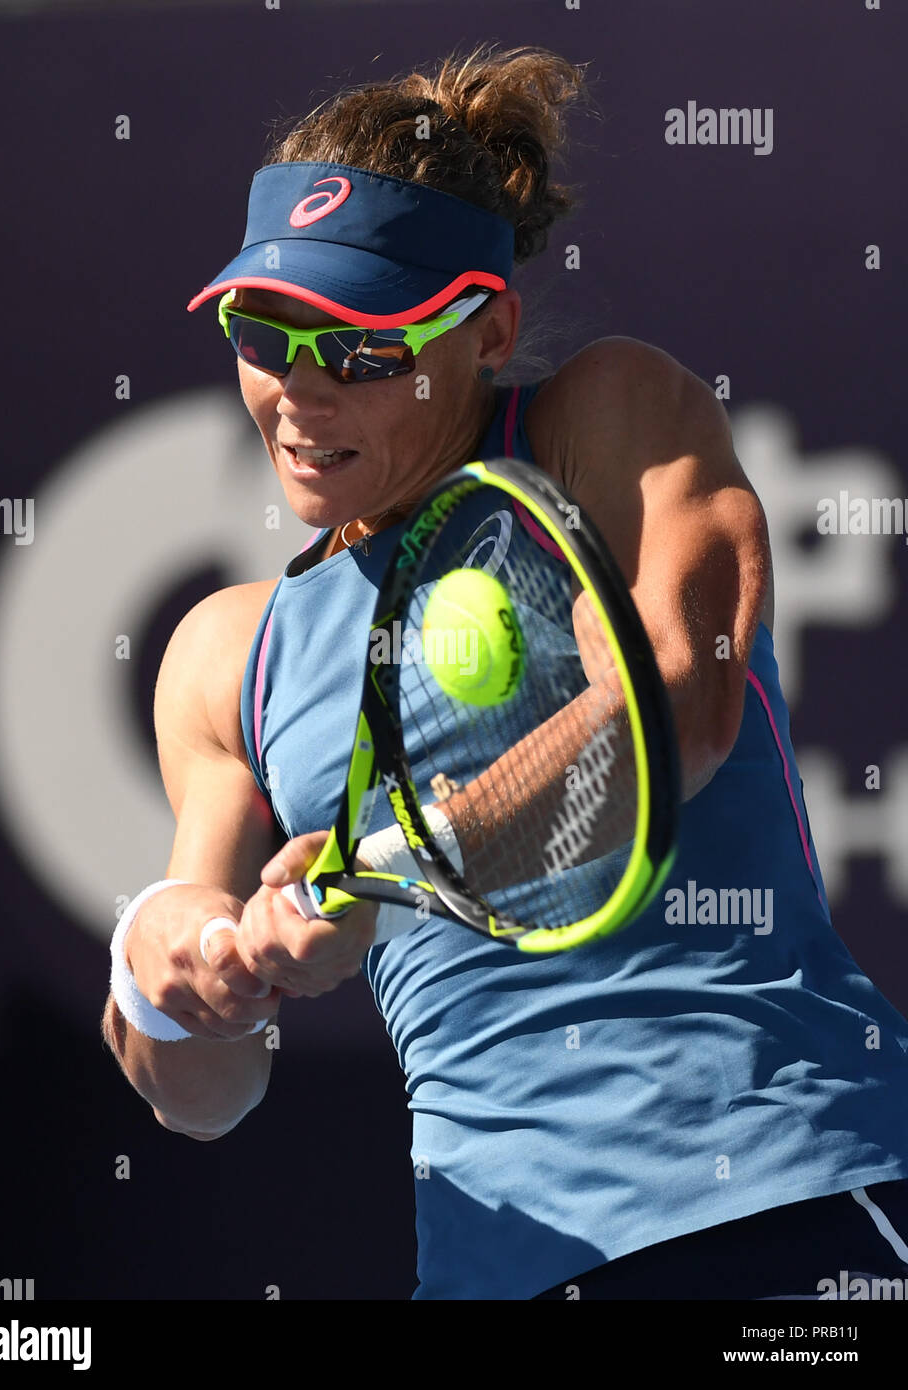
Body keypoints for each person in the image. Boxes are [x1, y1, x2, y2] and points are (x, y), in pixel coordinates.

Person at [102, 45, 908, 1300]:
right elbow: (202, 1102)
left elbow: (674, 706)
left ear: (491, 333)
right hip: (496, 1271)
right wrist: (171, 978)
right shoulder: (223, 655)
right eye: (268, 333)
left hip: (777, 1196)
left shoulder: (604, 415)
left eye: (362, 348)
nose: (299, 395)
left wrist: (384, 869)